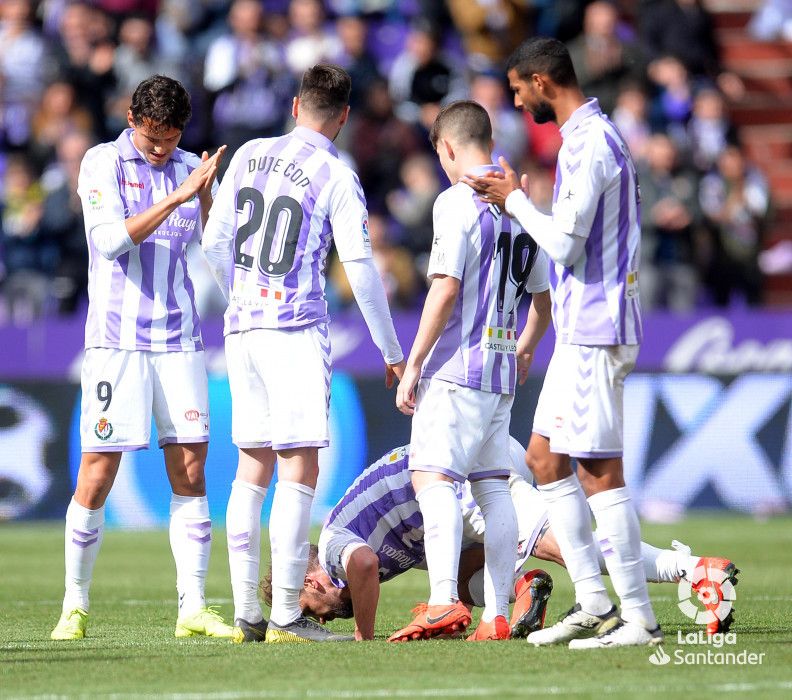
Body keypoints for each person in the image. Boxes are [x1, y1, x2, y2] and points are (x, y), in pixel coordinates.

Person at [463, 37, 660, 649]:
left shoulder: (591, 143)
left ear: (543, 81)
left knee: (600, 472)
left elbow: (567, 246)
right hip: (581, 329)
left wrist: (513, 200)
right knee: (545, 460)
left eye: (519, 90)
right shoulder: (588, 139)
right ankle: (596, 602)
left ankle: (638, 617)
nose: (519, 103)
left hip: (598, 329)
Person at [202, 64, 405, 644]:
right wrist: (391, 348)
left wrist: (239, 293)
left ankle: (248, 612)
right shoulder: (337, 176)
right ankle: (288, 615)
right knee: (298, 467)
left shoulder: (246, 154)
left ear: (295, 106)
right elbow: (361, 270)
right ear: (342, 117)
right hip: (293, 331)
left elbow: (215, 241)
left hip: (240, 327)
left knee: (251, 468)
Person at [50, 75, 235, 642]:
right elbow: (108, 240)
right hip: (116, 344)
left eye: (171, 139)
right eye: (153, 139)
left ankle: (193, 608)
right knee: (98, 472)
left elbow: (219, 250)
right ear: (132, 118)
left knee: (192, 470)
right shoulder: (100, 163)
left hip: (179, 341)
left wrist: (205, 202)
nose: (161, 150)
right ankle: (74, 606)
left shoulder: (191, 170)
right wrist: (177, 196)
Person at [259, 439, 738, 641]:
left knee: (575, 549)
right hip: (467, 471)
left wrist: (365, 637)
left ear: (311, 578)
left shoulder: (336, 544)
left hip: (462, 478)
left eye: (307, 607)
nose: (323, 617)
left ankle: (695, 571)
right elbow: (454, 550)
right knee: (478, 575)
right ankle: (524, 589)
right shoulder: (375, 534)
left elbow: (362, 565)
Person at [392, 100, 551, 642]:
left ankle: (442, 601)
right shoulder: (521, 203)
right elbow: (543, 302)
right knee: (492, 489)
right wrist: (525, 349)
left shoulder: (456, 202)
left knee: (431, 477)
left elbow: (446, 287)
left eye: (440, 154)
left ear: (450, 147)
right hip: (500, 373)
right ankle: (497, 612)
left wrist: (414, 362)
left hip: (457, 369)